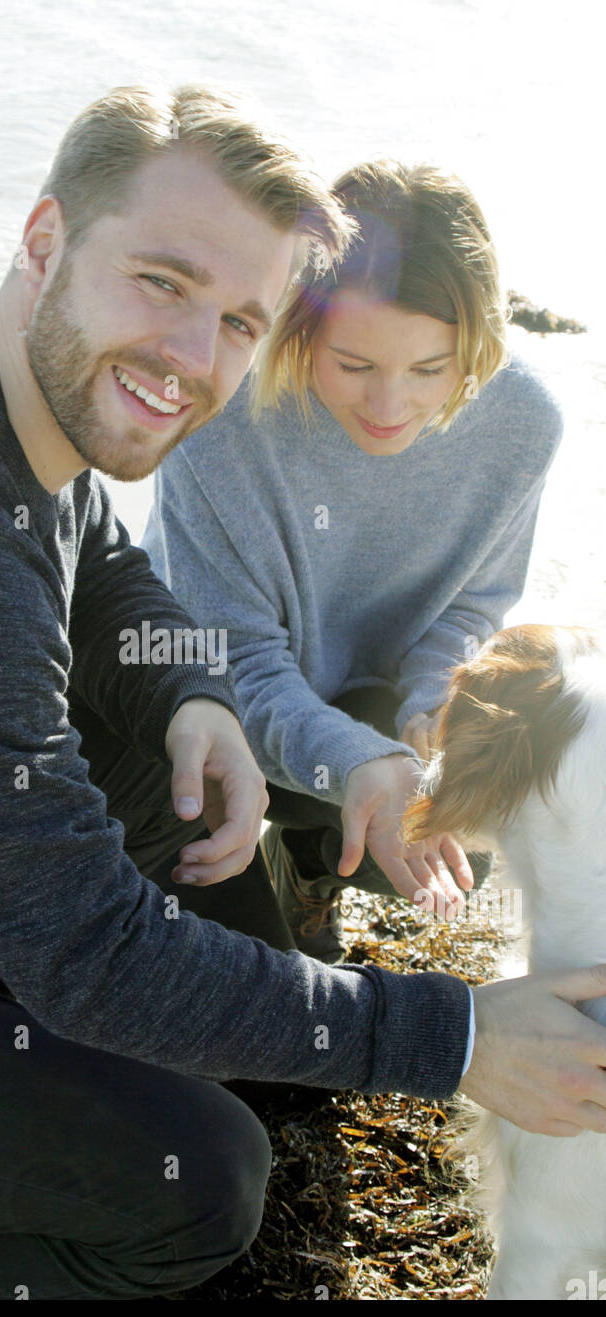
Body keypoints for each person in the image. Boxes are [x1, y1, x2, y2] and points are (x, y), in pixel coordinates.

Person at [0, 93, 606, 1304]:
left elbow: (93, 546)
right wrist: (455, 1039)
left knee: (219, 919)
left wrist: (189, 691)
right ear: (45, 240)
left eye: (239, 319)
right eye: (161, 281)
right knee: (200, 1183)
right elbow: (91, 953)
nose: (195, 359)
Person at [140, 159, 559, 963]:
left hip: (372, 698)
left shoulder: (522, 423)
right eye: (354, 366)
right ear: (299, 328)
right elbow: (236, 665)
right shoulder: (222, 419)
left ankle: (310, 866)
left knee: (471, 827)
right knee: (233, 1033)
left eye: (430, 371)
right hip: (203, 711)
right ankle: (292, 838)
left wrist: (433, 716)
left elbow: (470, 610)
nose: (389, 406)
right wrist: (354, 761)